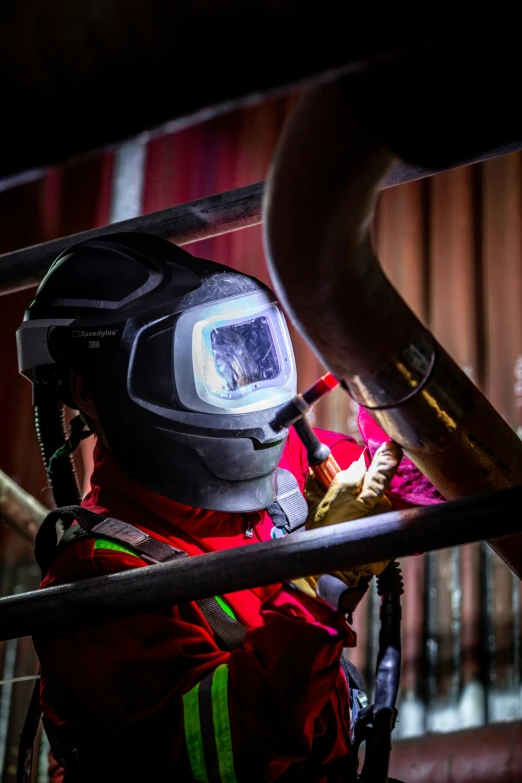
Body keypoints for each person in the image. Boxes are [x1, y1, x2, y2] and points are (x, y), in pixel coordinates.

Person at [17, 233, 441, 782]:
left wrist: (392, 414)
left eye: (249, 357)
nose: (246, 389)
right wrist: (322, 584)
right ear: (95, 393)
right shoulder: (98, 579)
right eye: (216, 368)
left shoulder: (279, 465)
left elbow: (422, 477)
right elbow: (224, 757)